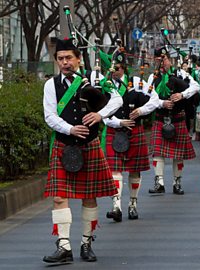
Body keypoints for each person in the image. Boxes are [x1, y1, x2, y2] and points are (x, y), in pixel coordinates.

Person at [42, 38, 122, 263]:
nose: (64, 63)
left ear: (78, 59)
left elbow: (117, 99)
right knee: (59, 197)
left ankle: (86, 243)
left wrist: (100, 115)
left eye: (68, 58)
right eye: (60, 59)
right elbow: (50, 115)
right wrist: (69, 129)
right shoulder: (51, 85)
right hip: (64, 144)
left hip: (89, 144)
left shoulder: (95, 79)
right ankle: (64, 246)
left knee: (89, 196)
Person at [103, 54, 160, 222]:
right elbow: (101, 111)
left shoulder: (137, 83)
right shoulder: (105, 86)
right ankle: (116, 206)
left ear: (124, 69)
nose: (114, 72)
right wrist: (119, 122)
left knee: (134, 170)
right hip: (115, 130)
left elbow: (155, 100)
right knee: (115, 170)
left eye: (118, 69)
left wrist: (141, 111)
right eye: (112, 69)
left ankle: (133, 204)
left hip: (135, 131)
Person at [148, 47, 200, 195]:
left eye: (164, 59)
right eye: (159, 59)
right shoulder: (153, 77)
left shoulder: (181, 74)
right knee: (158, 152)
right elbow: (148, 95)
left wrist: (182, 95)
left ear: (169, 60)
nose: (162, 62)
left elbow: (195, 86)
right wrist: (161, 103)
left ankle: (177, 183)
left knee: (178, 154)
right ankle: (159, 182)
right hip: (160, 117)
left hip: (177, 117)